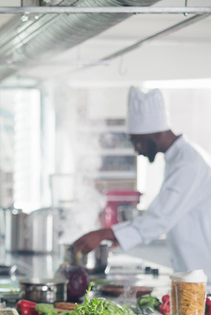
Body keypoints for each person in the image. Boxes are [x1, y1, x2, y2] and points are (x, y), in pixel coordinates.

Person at [73, 86, 211, 281]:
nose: (137, 151)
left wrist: (104, 233)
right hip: (192, 274)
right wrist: (113, 236)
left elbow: (160, 219)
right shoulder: (178, 159)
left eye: (137, 142)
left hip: (204, 274)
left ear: (154, 134)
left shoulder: (189, 163)